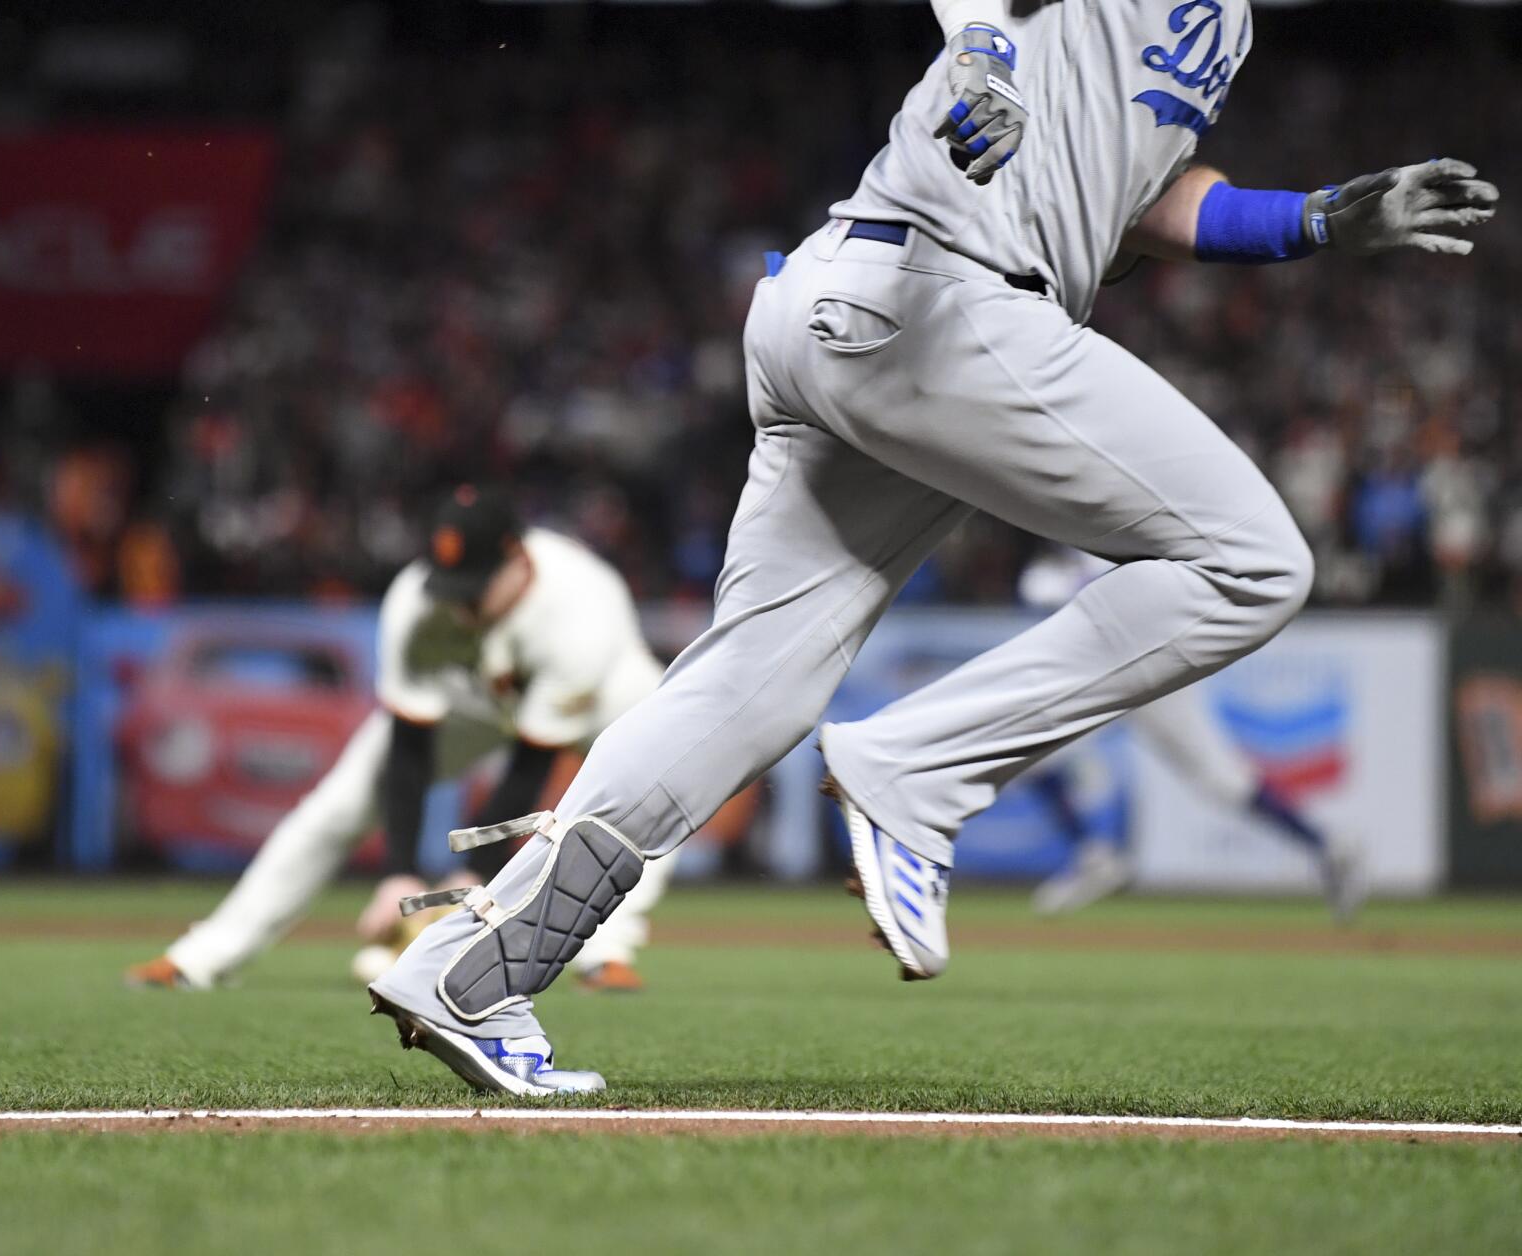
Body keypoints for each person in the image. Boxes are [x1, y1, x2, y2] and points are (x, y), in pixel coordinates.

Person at [368, 0, 1497, 1095]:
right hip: (939, 299)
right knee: (1253, 561)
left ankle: (473, 973)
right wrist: (983, 57)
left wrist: (1314, 219)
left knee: (747, 690)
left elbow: (1140, 196)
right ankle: (918, 772)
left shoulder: (1229, 22)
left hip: (848, 311)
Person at [126, 486, 676, 993]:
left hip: (603, 694)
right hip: (481, 694)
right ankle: (203, 955)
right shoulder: (417, 601)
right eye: (450, 586)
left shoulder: (578, 612)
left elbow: (529, 769)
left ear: (519, 560)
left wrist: (468, 882)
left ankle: (607, 953)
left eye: (475, 588)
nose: (458, 605)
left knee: (655, 785)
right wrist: (399, 876)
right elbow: (408, 750)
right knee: (337, 804)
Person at [1019, 548, 1366, 920]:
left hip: (1154, 670)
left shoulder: (1101, 549)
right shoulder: (1044, 571)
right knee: (1029, 757)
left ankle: (1328, 845)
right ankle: (1094, 855)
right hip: (1098, 675)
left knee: (1224, 781)